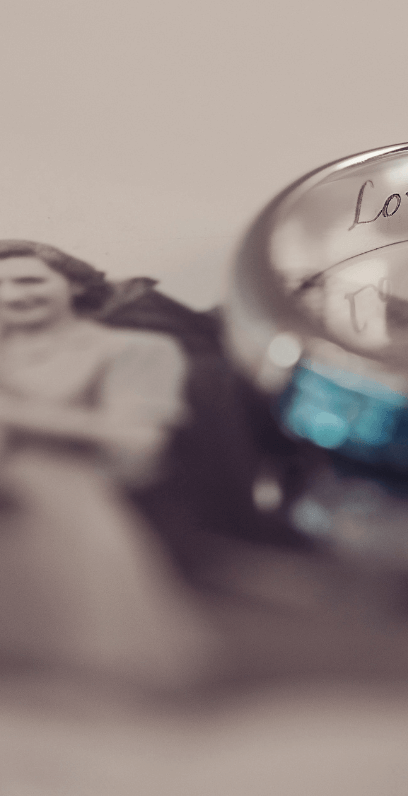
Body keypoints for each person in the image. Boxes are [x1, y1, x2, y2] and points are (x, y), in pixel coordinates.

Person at [0, 241, 215, 686]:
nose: (11, 294)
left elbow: (141, 436)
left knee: (81, 660)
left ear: (75, 285)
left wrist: (19, 414)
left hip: (66, 509)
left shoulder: (137, 350)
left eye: (29, 280)